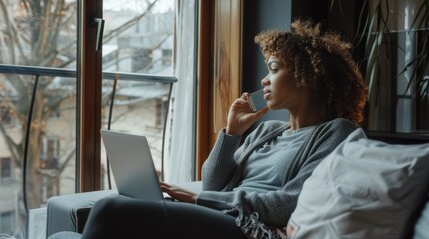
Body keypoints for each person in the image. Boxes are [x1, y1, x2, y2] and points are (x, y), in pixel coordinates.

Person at [49, 18, 368, 239]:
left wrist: (200, 201)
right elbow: (214, 182)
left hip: (247, 229)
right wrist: (231, 134)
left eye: (274, 69)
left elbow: (288, 204)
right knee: (77, 228)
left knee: (109, 211)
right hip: (220, 213)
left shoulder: (337, 133)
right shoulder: (265, 131)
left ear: (308, 76)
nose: (263, 80)